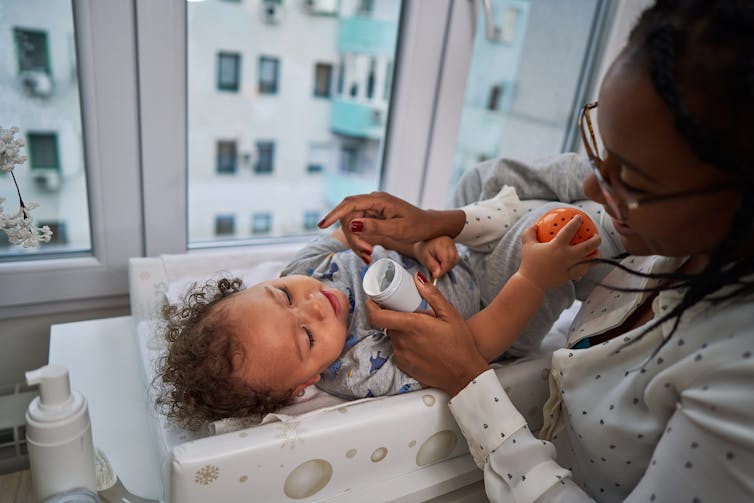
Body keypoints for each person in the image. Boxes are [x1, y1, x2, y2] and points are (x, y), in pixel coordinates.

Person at [318, 1, 754, 501]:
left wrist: (467, 376)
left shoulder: (738, 384)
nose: (594, 181)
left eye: (630, 179)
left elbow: (488, 329)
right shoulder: (657, 239)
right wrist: (437, 223)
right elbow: (541, 191)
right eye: (601, 149)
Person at [156, 192, 601, 430]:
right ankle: (599, 214)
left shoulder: (303, 269)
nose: (313, 305)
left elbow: (368, 239)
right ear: (306, 384)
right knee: (551, 225)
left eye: (284, 296)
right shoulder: (360, 368)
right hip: (496, 304)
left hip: (456, 258)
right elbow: (474, 348)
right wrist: (532, 280)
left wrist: (423, 243)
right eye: (307, 338)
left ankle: (577, 180)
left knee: (484, 178)